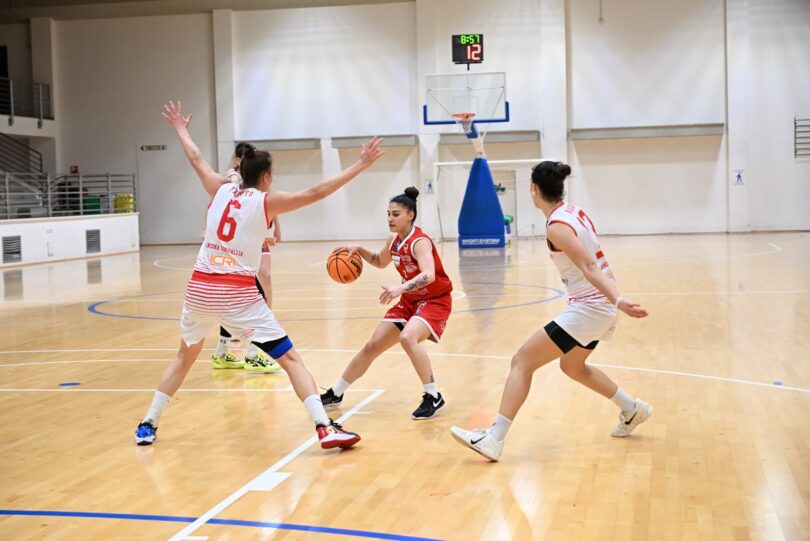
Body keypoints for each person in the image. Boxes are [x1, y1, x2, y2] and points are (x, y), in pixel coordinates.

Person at [134, 101, 384, 449]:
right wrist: (361, 164)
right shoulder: (264, 202)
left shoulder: (220, 188)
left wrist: (180, 128)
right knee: (291, 359)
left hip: (200, 289)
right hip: (237, 294)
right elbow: (316, 192)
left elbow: (195, 158)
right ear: (265, 177)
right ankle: (325, 427)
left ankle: (148, 424)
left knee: (183, 358)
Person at [450, 161, 651, 461]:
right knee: (573, 366)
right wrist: (614, 299)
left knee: (521, 361)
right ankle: (632, 409)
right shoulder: (573, 211)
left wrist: (618, 299)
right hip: (597, 305)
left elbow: (589, 266)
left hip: (592, 306)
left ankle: (494, 438)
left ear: (534, 189)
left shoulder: (557, 227)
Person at [320, 187, 453, 420]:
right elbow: (379, 261)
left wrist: (400, 288)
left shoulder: (419, 241)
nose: (390, 219)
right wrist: (359, 250)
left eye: (396, 214)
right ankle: (336, 393)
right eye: (388, 214)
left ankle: (433, 395)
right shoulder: (393, 241)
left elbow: (429, 274)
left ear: (410, 215)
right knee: (372, 346)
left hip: (434, 300)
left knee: (408, 338)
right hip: (410, 301)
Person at [211, 142, 283, 374]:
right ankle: (252, 352)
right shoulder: (232, 179)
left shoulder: (254, 180)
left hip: (249, 241)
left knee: (257, 291)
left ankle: (229, 351)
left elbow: (268, 202)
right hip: (238, 248)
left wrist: (273, 229)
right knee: (256, 296)